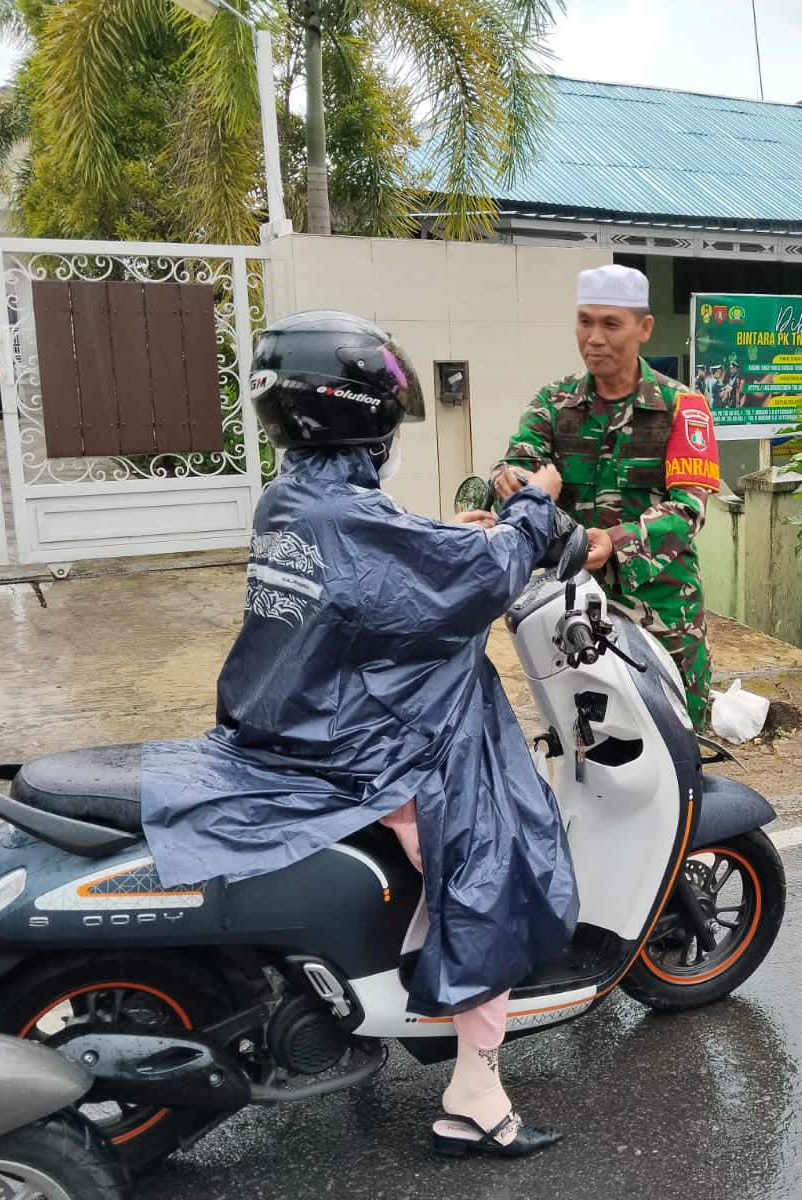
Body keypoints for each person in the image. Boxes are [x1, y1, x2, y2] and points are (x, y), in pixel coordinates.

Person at [139, 310, 577, 1159]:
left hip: (290, 724)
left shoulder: (293, 498)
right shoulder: (350, 517)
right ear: (365, 417)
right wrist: (531, 511)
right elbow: (472, 578)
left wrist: (464, 530)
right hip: (366, 748)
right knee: (495, 860)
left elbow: (388, 565)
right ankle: (478, 1097)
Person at [492, 264, 722, 729]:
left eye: (610, 324)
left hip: (662, 607)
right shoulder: (552, 405)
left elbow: (688, 510)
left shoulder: (683, 408)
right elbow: (519, 461)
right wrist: (509, 479)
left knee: (678, 736)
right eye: (585, 321)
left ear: (644, 328)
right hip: (572, 606)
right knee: (584, 736)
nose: (594, 338)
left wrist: (614, 542)